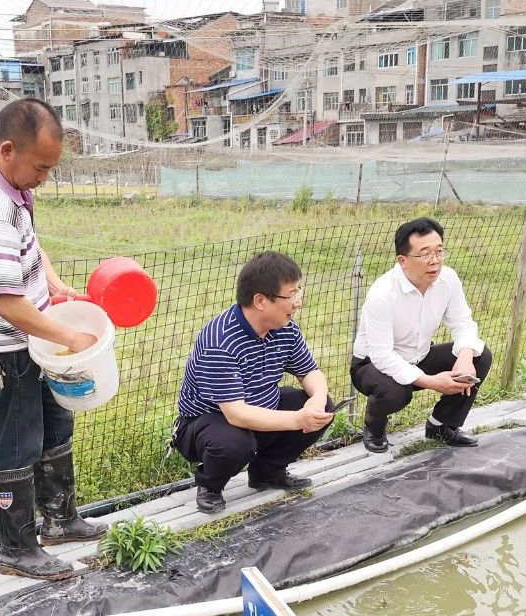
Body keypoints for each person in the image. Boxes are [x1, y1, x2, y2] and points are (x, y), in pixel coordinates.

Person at [0, 98, 103, 581]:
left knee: (55, 425)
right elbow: (9, 304)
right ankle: (16, 548)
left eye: (51, 168)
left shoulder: (11, 184)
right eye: (41, 167)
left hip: (32, 341)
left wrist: (54, 285)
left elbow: (30, 246)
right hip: (4, 349)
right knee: (16, 445)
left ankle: (59, 520)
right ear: (8, 149)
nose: (44, 178)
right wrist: (70, 337)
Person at [174, 252, 336, 515]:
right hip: (209, 421)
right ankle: (210, 486)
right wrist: (298, 420)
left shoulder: (285, 327)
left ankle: (267, 472)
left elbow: (310, 372)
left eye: (298, 292)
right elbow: (236, 413)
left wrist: (316, 401)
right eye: (291, 295)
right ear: (260, 300)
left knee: (321, 406)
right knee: (233, 443)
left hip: (259, 407)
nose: (298, 303)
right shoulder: (220, 340)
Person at [350, 217, 492, 452]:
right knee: (396, 391)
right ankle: (374, 425)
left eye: (439, 251)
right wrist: (433, 382)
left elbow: (463, 323)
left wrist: (465, 357)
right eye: (425, 254)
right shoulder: (383, 293)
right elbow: (382, 355)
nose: (434, 260)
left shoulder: (448, 279)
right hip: (372, 365)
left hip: (420, 356)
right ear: (402, 260)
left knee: (480, 356)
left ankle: (441, 425)